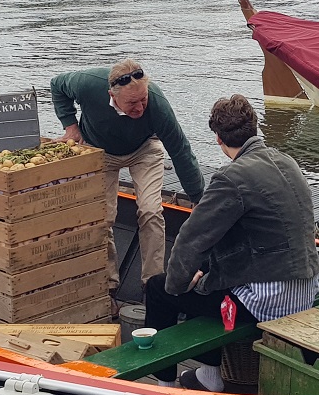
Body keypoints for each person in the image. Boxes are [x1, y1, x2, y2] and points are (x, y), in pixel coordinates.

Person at [144, 94, 319, 391]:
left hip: (267, 303)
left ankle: (164, 386)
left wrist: (178, 286)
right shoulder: (286, 162)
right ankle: (208, 378)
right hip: (306, 289)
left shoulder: (232, 177)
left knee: (160, 289)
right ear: (254, 128)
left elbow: (191, 240)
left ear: (217, 138)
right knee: (205, 276)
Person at [51, 60, 204, 304]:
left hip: (144, 149)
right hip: (99, 149)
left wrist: (197, 197)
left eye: (143, 99)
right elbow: (57, 85)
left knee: (151, 211)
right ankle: (108, 286)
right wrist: (70, 125)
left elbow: (181, 151)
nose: (140, 107)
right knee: (104, 217)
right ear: (112, 95)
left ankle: (152, 286)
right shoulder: (88, 84)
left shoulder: (157, 104)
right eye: (132, 103)